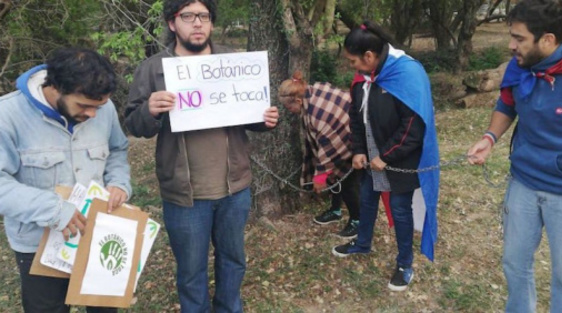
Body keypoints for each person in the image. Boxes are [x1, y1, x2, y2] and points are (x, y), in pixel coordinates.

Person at [124, 0, 279, 312]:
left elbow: (250, 114)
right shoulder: (153, 68)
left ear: (211, 22)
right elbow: (134, 124)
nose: (197, 23)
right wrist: (149, 110)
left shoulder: (232, 62)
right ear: (172, 23)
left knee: (233, 260)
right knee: (191, 270)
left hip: (235, 187)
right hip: (185, 194)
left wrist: (265, 119)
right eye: (188, 16)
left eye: (204, 16)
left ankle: (228, 307)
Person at [467, 1, 562, 312]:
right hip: (524, 182)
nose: (512, 45)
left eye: (519, 38)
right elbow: (507, 102)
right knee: (514, 263)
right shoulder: (521, 62)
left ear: (548, 40)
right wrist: (490, 138)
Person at [0, 47, 131, 313]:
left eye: (99, 106)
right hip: (37, 244)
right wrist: (54, 209)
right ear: (56, 87)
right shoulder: (8, 116)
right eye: (84, 106)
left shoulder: (102, 109)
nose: (94, 114)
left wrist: (118, 182)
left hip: (99, 236)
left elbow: (117, 149)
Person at [331, 21, 440, 292]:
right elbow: (357, 118)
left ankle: (405, 264)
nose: (351, 66)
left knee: (401, 211)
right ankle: (363, 243)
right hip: (371, 157)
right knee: (367, 199)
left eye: (353, 60)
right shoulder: (363, 80)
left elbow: (413, 127)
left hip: (401, 160)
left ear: (369, 56)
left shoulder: (407, 73)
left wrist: (386, 157)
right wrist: (358, 149)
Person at [278, 71, 361, 238]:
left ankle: (357, 221)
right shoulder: (312, 90)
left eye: (289, 107)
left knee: (348, 183)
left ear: (298, 100)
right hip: (341, 135)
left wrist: (320, 176)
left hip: (354, 137)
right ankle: (336, 210)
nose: (290, 111)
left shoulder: (318, 114)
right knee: (336, 177)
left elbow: (330, 145)